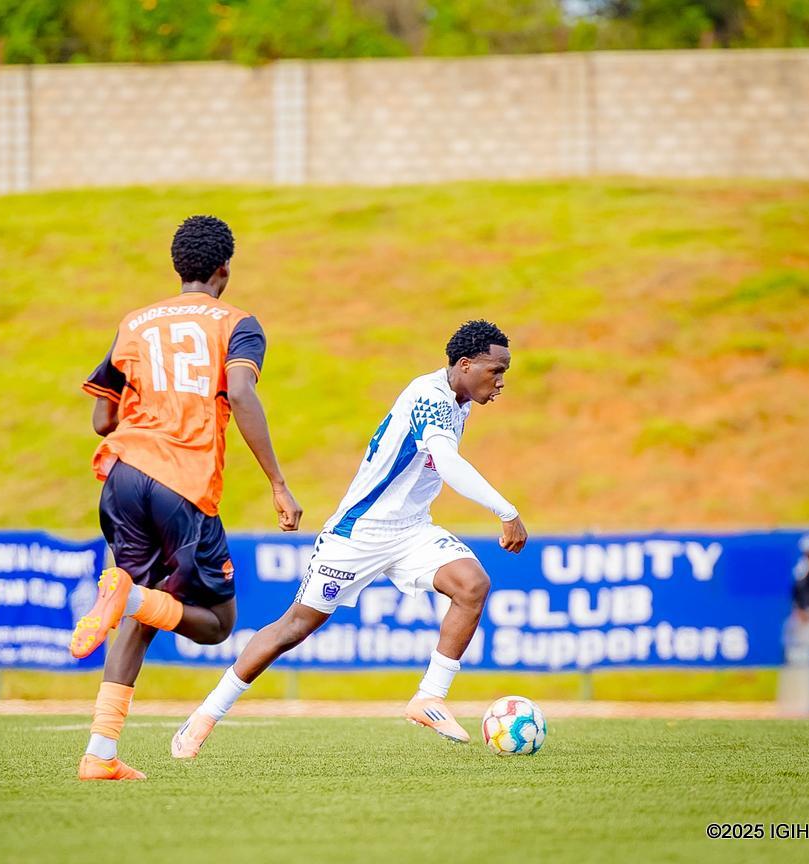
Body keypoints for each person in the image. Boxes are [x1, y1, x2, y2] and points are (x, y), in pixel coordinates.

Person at [172, 319, 527, 758]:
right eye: (496, 370)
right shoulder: (429, 396)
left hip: (411, 529)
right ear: (466, 364)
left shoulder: (460, 401)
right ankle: (204, 716)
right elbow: (447, 463)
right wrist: (506, 511)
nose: (501, 381)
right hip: (358, 533)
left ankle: (429, 697)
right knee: (294, 627)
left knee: (472, 584)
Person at [72, 215, 302, 781]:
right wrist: (277, 482)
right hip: (182, 480)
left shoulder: (134, 322)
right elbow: (241, 391)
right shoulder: (239, 323)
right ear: (225, 269)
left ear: (178, 267)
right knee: (218, 622)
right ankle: (128, 598)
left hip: (122, 475)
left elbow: (102, 418)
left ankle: (100, 753)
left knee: (140, 609)